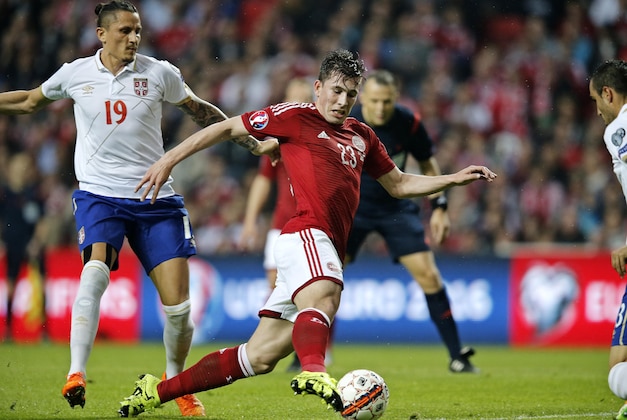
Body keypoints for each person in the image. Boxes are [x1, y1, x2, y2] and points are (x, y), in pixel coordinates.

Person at [118, 49, 496, 418]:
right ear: (318, 87)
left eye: (351, 93)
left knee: (260, 356)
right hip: (305, 234)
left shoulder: (362, 135)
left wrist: (453, 179)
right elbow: (227, 126)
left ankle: (156, 390)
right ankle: (314, 371)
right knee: (326, 293)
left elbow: (398, 183)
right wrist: (168, 159)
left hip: (324, 241)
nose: (343, 100)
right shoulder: (296, 116)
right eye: (336, 90)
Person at [0, 1, 273, 415]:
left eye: (138, 31)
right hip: (100, 196)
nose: (134, 38)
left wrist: (251, 142)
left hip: (155, 199)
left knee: (179, 310)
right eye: (126, 31)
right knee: (94, 273)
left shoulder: (159, 72)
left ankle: (175, 382)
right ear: (102, 34)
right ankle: (75, 372)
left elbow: (202, 112)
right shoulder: (76, 73)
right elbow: (28, 102)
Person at [346, 69, 478, 373]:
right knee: (329, 283)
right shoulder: (346, 120)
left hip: (396, 207)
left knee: (430, 277)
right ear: (363, 98)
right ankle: (306, 358)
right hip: (352, 207)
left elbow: (428, 163)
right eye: (375, 101)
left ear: (395, 99)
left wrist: (440, 207)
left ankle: (458, 356)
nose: (380, 108)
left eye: (387, 102)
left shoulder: (408, 122)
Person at [238, 77, 329, 372]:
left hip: (314, 227)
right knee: (280, 291)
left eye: (302, 97)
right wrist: (250, 221)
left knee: (313, 292)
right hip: (281, 226)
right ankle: (290, 350)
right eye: (292, 97)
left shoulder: (322, 136)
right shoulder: (279, 140)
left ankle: (311, 353)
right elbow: (263, 181)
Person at [589, 59, 627, 420]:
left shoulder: (619, 128)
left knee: (618, 376)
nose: (596, 110)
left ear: (608, 93)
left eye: (595, 100)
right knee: (619, 372)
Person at [0, 152, 48, 340]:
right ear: (12, 169)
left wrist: (36, 242)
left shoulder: (34, 192)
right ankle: (9, 330)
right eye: (20, 166)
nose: (24, 170)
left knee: (42, 285)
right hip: (13, 243)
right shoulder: (5, 194)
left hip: (32, 243)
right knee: (11, 284)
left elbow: (42, 221)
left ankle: (44, 332)